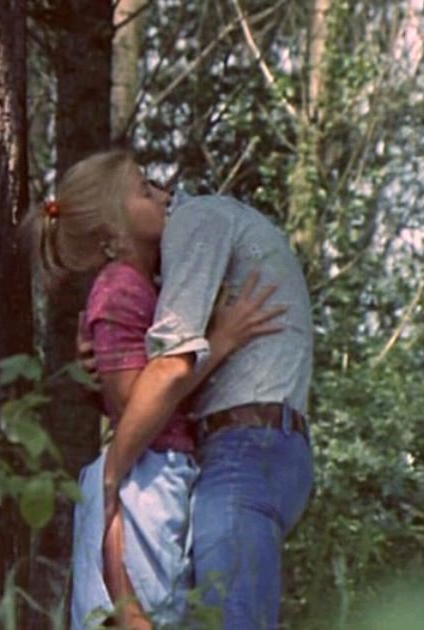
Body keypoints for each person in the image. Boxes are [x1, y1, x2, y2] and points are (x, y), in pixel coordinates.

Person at [20, 149, 285, 629]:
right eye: (145, 191)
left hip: (155, 471)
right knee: (152, 613)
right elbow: (135, 400)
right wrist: (221, 340)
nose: (164, 197)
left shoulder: (144, 287)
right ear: (112, 231)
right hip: (147, 476)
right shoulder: (119, 287)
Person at [101, 186, 315, 628]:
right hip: (261, 443)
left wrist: (111, 471)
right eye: (137, 188)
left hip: (244, 446)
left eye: (145, 186)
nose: (154, 193)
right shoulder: (209, 233)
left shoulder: (194, 219)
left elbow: (169, 371)